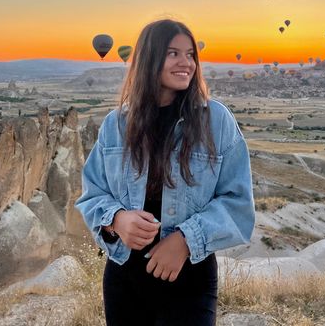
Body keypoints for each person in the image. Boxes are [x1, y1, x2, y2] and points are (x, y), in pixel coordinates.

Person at [75, 19, 255, 326]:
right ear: (150, 58)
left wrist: (185, 240)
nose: (186, 63)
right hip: (124, 278)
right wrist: (117, 220)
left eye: (190, 55)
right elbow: (92, 194)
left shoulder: (216, 121)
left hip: (189, 277)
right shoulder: (116, 125)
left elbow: (238, 203)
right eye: (173, 53)